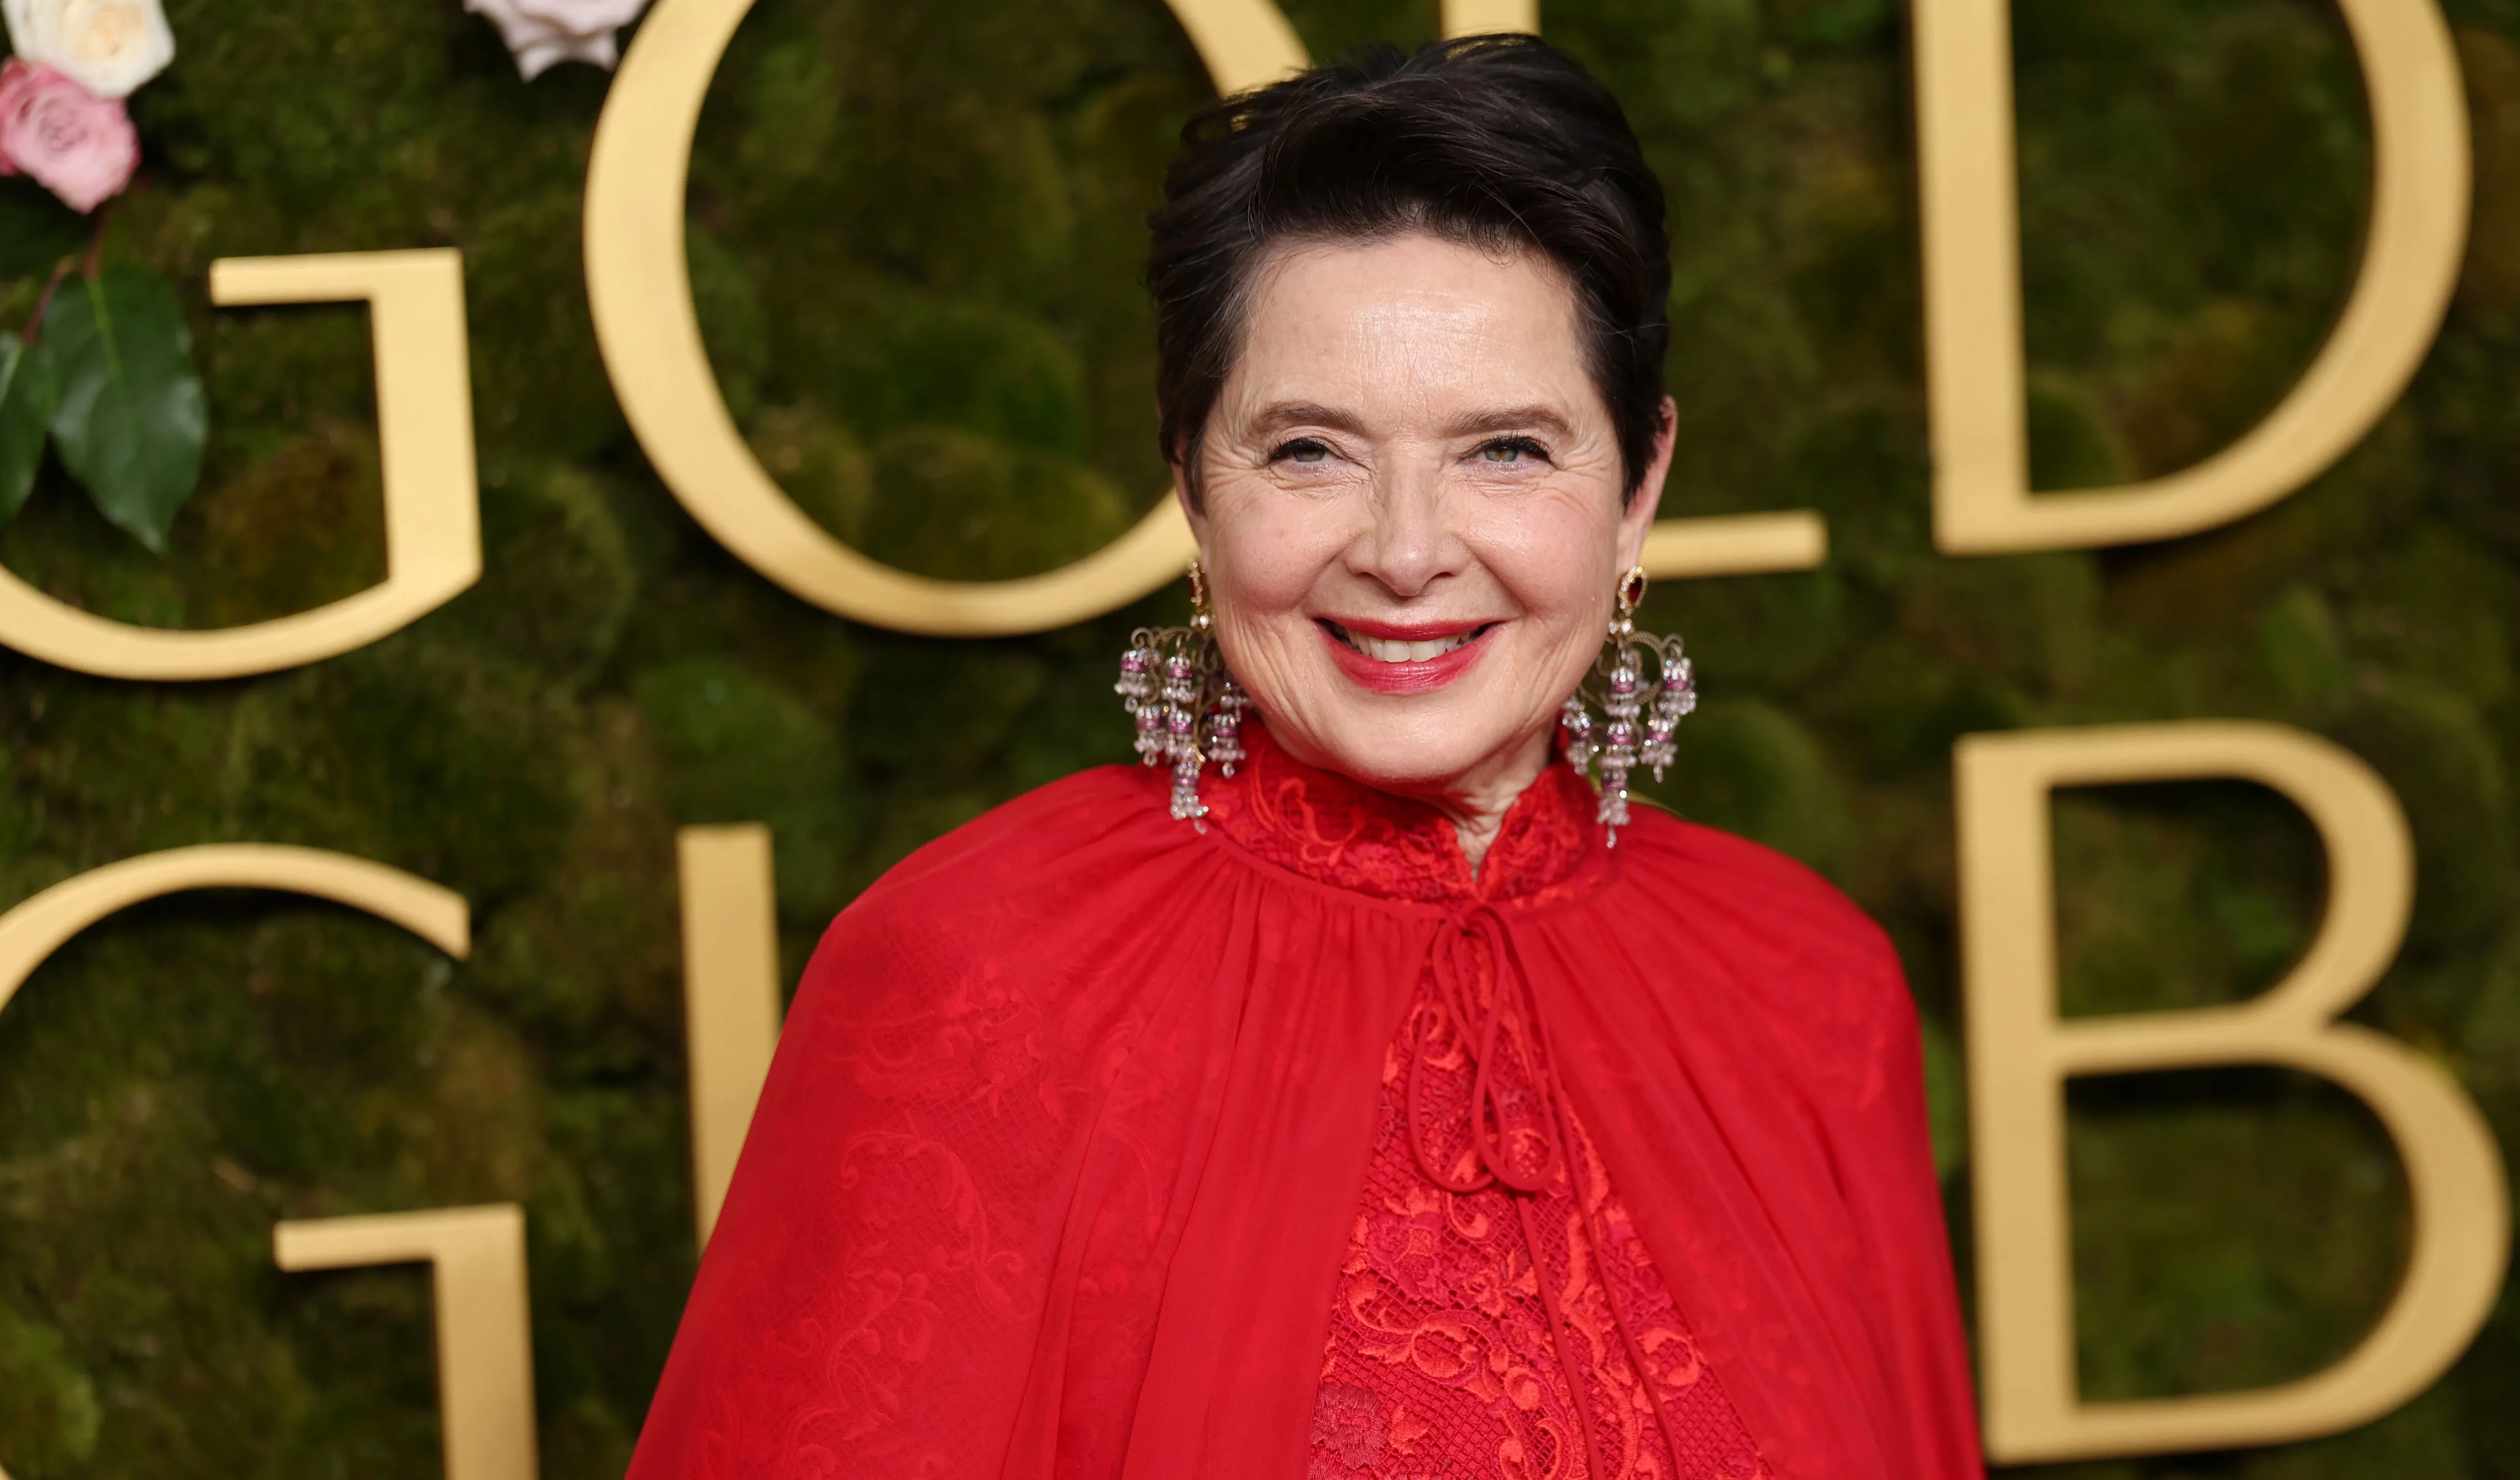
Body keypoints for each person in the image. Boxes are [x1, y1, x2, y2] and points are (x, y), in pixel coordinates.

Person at [624, 35, 1982, 1480]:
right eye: (1308, 453)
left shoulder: (1809, 987)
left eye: (1508, 450)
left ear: (1640, 485)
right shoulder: (973, 978)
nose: (1404, 551)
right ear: (1192, 483)